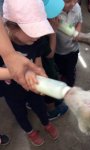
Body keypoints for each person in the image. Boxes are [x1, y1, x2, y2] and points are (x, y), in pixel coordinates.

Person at [0, 0, 64, 146]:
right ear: (10, 26)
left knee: (40, 106)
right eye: (32, 31)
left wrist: (41, 76)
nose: (37, 36)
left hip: (32, 89)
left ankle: (46, 123)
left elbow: (38, 61)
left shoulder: (36, 42)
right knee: (19, 113)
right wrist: (18, 73)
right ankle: (30, 131)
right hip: (11, 92)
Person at [54, 0, 82, 87]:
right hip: (57, 50)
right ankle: (62, 73)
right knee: (59, 68)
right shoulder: (54, 11)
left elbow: (79, 22)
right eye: (67, 1)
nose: (72, 4)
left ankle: (70, 77)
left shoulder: (76, 7)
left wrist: (77, 31)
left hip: (72, 49)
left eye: (75, 0)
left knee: (70, 73)